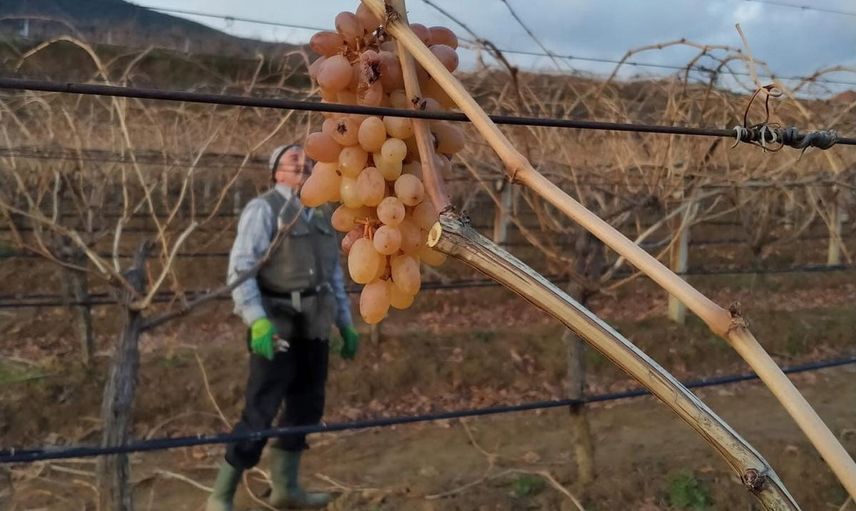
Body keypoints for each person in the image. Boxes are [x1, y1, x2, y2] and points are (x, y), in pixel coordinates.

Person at [206, 144, 360, 511]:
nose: (304, 164)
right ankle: (220, 496)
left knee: (308, 406)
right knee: (262, 407)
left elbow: (333, 276)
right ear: (276, 172)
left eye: (308, 161)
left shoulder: (322, 215)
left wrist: (345, 323)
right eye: (294, 161)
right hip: (277, 322)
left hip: (315, 322)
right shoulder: (264, 209)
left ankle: (286, 489)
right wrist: (256, 320)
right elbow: (241, 268)